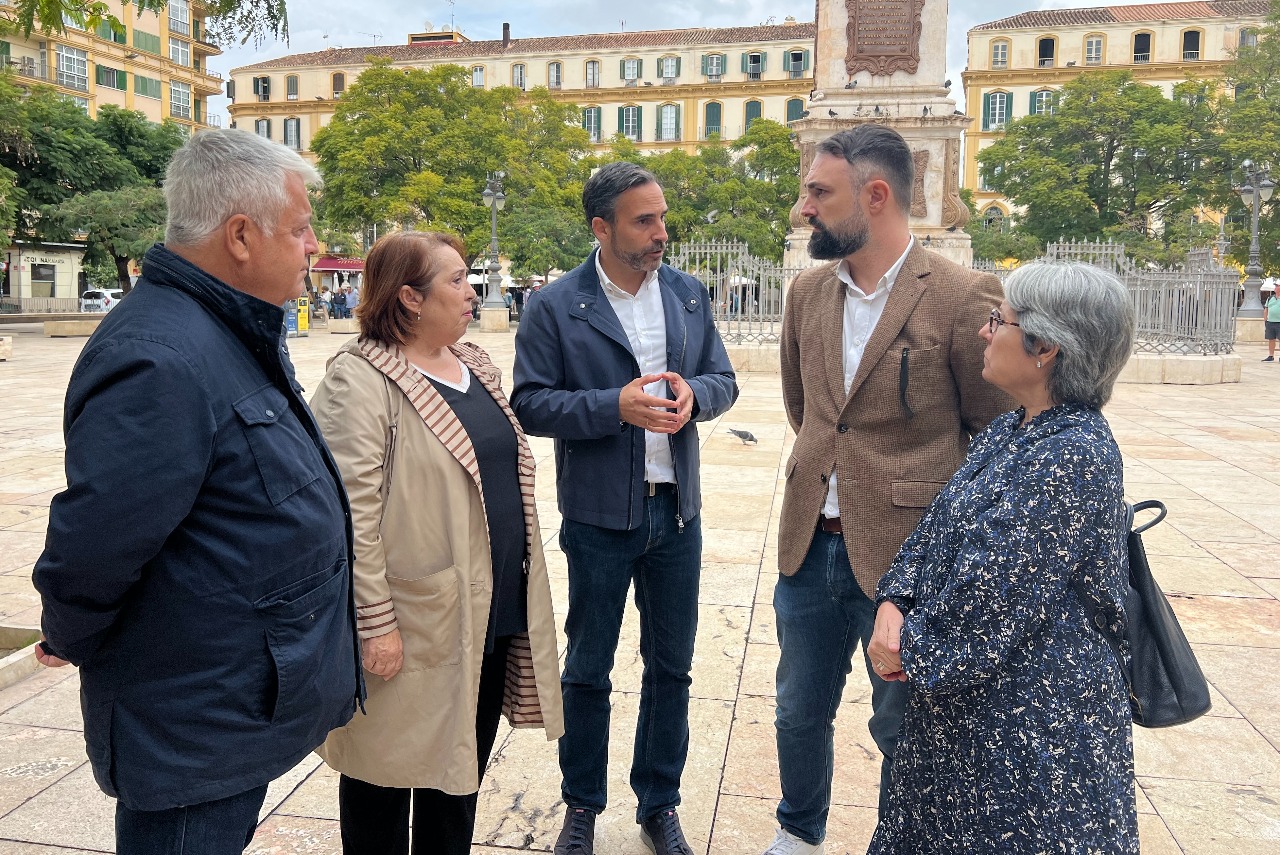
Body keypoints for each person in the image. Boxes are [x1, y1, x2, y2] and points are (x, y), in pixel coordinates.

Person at [31, 129, 361, 853]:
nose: (313, 246)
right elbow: (97, 541)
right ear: (241, 235)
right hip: (192, 721)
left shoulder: (220, 328)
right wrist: (71, 631)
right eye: (301, 227)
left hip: (230, 700)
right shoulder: (159, 355)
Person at [764, 124, 1012, 855]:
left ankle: (904, 838)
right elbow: (807, 412)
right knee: (795, 711)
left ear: (874, 197)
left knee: (903, 719)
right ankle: (797, 831)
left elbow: (991, 436)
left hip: (908, 560)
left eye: (818, 191)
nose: (804, 207)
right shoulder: (807, 291)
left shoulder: (964, 295)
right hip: (810, 543)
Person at [866, 261, 1139, 853]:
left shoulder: (1075, 453)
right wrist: (896, 598)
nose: (986, 333)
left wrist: (905, 648)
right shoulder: (1010, 429)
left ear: (1045, 348)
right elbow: (937, 532)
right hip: (969, 715)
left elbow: (992, 594)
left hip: (1030, 733)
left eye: (1000, 321)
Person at [310, 231, 564, 855]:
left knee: (458, 778)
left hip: (485, 611)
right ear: (410, 298)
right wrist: (374, 624)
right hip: (410, 620)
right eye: (456, 280)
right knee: (383, 779)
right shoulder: (361, 380)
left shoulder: (475, 364)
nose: (472, 292)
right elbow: (349, 517)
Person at [512, 161, 739, 855]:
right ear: (601, 227)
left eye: (663, 217)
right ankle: (582, 804)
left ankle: (659, 801)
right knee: (587, 666)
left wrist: (696, 396)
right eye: (645, 220)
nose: (661, 232)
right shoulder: (555, 305)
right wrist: (614, 405)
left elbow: (723, 380)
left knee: (671, 666)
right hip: (598, 518)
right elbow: (530, 401)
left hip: (677, 514)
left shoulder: (688, 295)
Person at [1264, 280, 1279, 361]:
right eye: (1275, 286)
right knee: (1271, 339)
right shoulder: (1270, 298)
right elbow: (1266, 309)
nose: (1275, 287)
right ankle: (1271, 355)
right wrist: (1265, 320)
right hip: (1270, 322)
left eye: (1277, 286)